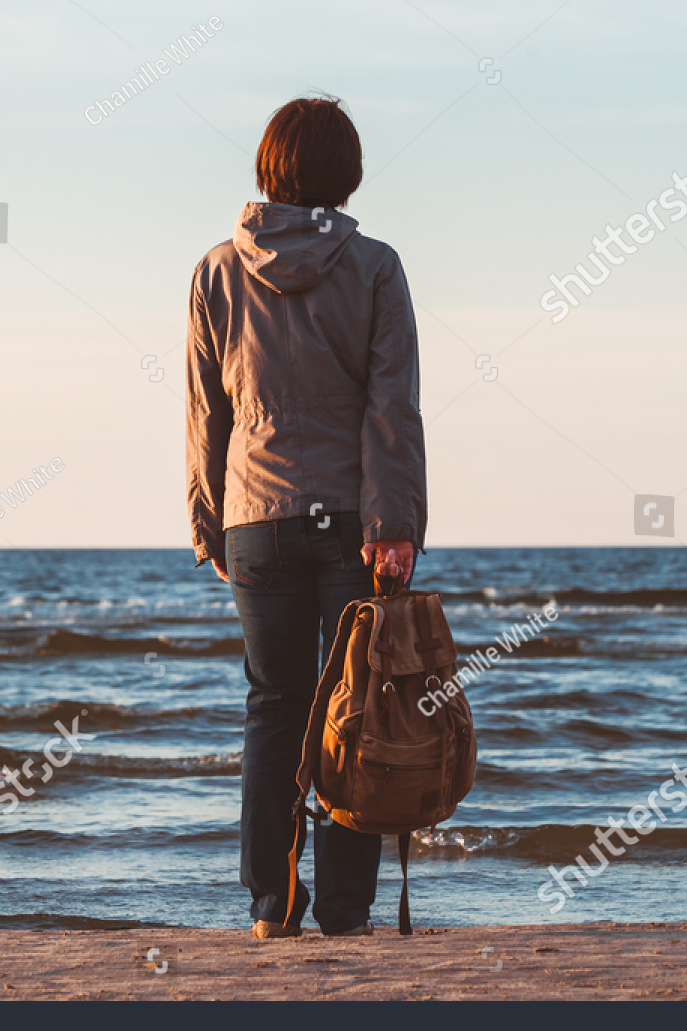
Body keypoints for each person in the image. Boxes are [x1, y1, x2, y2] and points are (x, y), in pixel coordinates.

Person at [185, 95, 428, 939]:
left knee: (273, 707)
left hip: (256, 519)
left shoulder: (216, 269)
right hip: (355, 525)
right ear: (347, 174)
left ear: (269, 165)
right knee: (355, 712)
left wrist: (207, 520)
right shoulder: (376, 268)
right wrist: (395, 526)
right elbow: (392, 409)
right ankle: (346, 909)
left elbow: (205, 413)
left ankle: (271, 903)